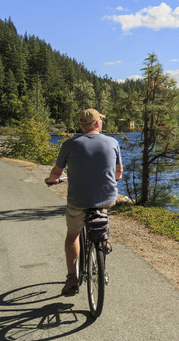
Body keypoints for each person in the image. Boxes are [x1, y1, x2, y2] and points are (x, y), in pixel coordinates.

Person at [45, 108, 123, 296]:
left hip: (78, 200)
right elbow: (118, 172)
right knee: (102, 211)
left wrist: (52, 180)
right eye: (100, 121)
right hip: (106, 198)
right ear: (97, 123)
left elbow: (56, 173)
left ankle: (72, 278)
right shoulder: (112, 142)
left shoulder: (70, 144)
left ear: (81, 124)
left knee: (73, 234)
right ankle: (102, 241)